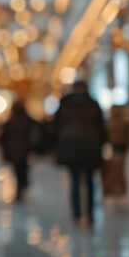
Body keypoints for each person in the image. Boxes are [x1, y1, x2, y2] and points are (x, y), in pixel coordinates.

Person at [52, 81, 107, 224]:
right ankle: (89, 214)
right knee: (89, 182)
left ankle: (76, 213)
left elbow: (55, 127)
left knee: (74, 181)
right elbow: (101, 128)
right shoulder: (93, 104)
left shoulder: (65, 104)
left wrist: (56, 147)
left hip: (70, 148)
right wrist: (101, 145)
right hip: (90, 147)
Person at [0, 100, 38, 202]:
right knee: (22, 171)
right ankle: (21, 189)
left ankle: (20, 190)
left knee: (18, 172)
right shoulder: (26, 120)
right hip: (23, 151)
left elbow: (4, 137)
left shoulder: (11, 121)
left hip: (15, 151)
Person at [104, 104, 129, 197]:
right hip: (113, 146)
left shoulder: (125, 122)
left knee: (120, 168)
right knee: (114, 168)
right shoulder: (109, 121)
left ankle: (120, 188)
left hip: (122, 147)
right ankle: (114, 187)